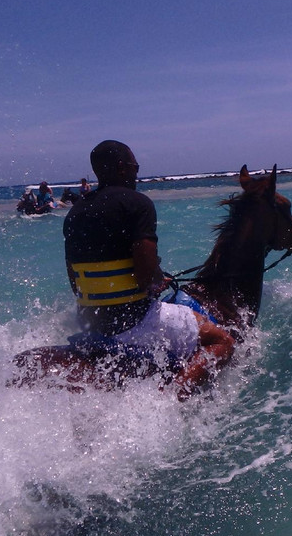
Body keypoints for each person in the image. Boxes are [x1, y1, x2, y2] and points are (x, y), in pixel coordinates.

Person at [63, 140, 233, 398]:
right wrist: (157, 281)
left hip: (90, 322)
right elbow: (146, 276)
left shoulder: (75, 212)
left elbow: (74, 283)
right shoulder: (137, 204)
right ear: (122, 167)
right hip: (133, 320)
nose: (137, 173)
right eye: (135, 167)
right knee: (222, 341)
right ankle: (171, 401)